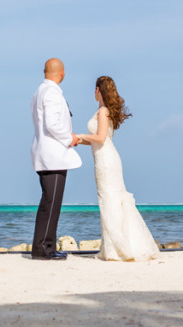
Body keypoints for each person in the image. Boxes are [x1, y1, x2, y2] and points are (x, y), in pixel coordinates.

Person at [75, 76, 159, 261]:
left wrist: (80, 135)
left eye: (94, 89)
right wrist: (79, 141)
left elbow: (100, 138)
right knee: (110, 200)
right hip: (104, 157)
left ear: (98, 90)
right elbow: (97, 141)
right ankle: (113, 247)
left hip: (107, 161)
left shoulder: (103, 111)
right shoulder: (102, 110)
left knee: (109, 200)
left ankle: (118, 249)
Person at [30, 58, 82, 260]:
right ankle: (44, 248)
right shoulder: (50, 92)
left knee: (49, 201)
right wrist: (70, 138)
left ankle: (44, 245)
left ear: (45, 71)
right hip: (53, 154)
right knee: (51, 202)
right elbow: (52, 124)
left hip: (45, 152)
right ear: (62, 73)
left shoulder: (39, 92)